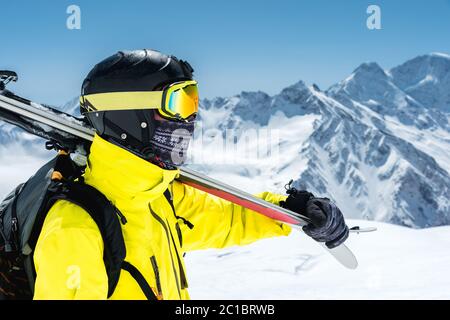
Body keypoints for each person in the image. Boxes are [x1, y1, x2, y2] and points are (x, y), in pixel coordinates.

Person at [32, 49, 349, 300]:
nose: (191, 116)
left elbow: (227, 218)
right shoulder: (75, 229)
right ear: (128, 115)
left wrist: (290, 208)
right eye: (179, 101)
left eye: (193, 99)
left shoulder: (159, 196)